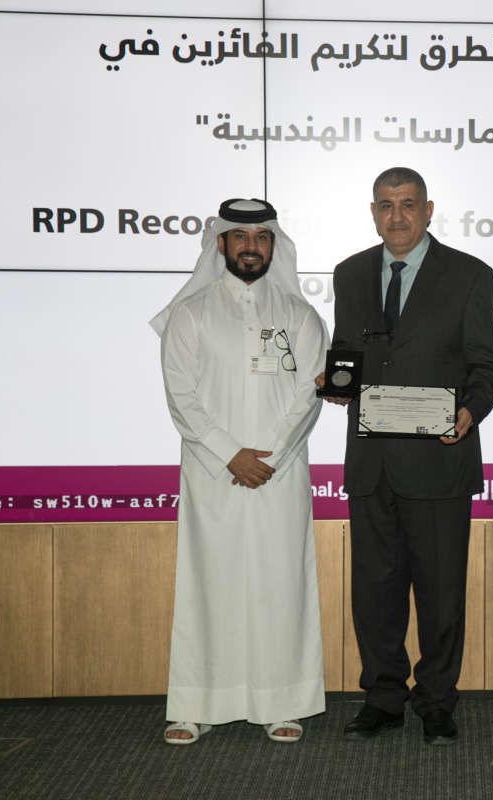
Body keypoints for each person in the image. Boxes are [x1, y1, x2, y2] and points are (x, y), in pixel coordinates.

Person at [320, 167, 493, 746]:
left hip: (439, 460)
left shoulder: (470, 275)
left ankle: (437, 702)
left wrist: (469, 411)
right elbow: (352, 354)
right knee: (375, 589)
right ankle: (382, 696)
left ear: (429, 210)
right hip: (371, 461)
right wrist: (337, 382)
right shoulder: (349, 274)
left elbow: (485, 365)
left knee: (441, 593)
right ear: (372, 212)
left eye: (407, 204)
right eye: (385, 206)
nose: (396, 216)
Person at [150, 198, 328, 745]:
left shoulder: (300, 314)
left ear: (274, 245)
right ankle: (197, 703)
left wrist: (267, 456)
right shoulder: (191, 312)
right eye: (240, 237)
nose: (252, 246)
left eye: (262, 237)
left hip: (280, 472)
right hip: (213, 474)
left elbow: (309, 396)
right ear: (220, 244)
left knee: (281, 581)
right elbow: (181, 397)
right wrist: (232, 454)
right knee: (210, 582)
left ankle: (284, 701)